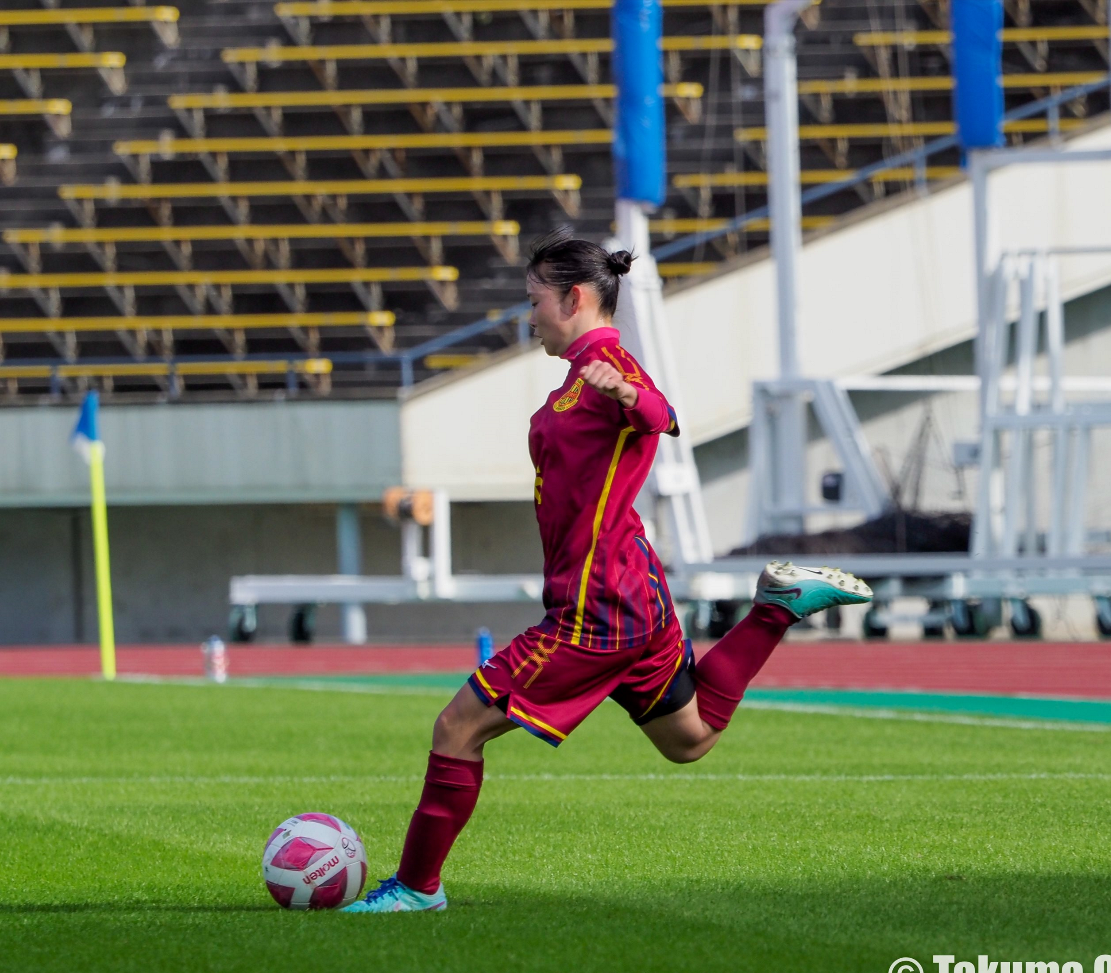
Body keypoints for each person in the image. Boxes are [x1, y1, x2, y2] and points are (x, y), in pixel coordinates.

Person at [343, 227, 872, 913]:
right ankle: (776, 607)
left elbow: (663, 415)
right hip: (632, 590)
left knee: (457, 728)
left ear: (575, 297)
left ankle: (416, 889)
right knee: (690, 740)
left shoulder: (609, 364)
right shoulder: (575, 377)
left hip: (597, 611)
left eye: (535, 300)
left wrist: (625, 393)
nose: (527, 315)